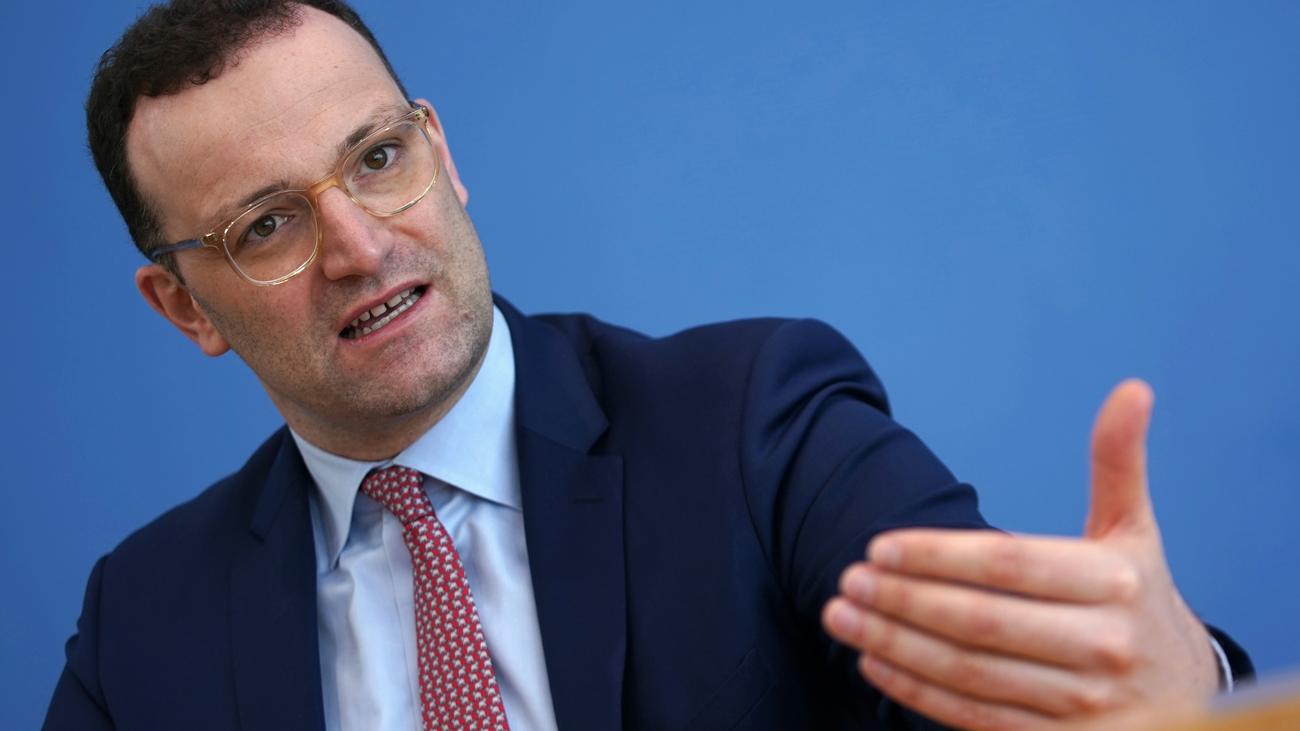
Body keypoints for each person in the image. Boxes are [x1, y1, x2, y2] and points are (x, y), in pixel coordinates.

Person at [45, 1, 1252, 730]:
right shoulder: (140, 620)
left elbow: (1012, 690)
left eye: (375, 159)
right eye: (267, 225)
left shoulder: (755, 425)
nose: (361, 246)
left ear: (441, 153)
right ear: (183, 306)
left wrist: (1175, 687)